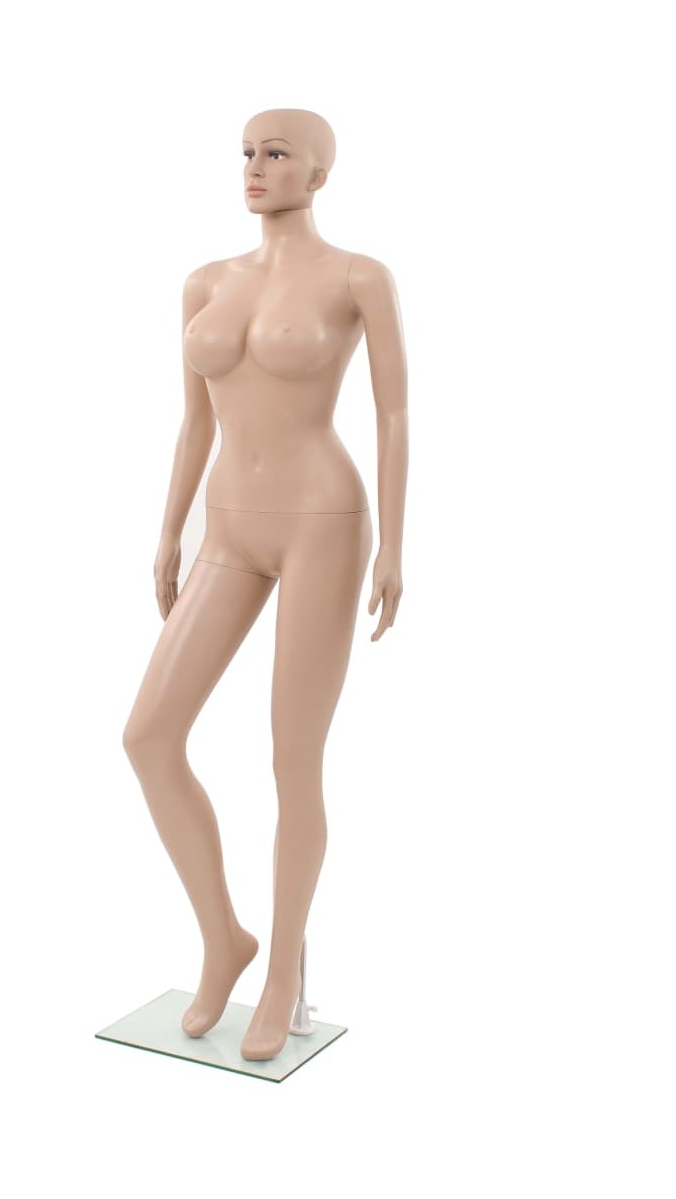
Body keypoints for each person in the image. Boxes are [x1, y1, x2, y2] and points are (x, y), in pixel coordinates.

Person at [122, 107, 408, 1061]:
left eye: (277, 153)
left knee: (293, 760)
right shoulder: (206, 281)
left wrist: (394, 545)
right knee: (149, 735)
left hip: (321, 520)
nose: (254, 167)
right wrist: (169, 529)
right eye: (247, 152)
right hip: (227, 526)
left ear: (318, 175)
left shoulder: (359, 277)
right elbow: (193, 421)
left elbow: (395, 412)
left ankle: (285, 970)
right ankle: (225, 939)